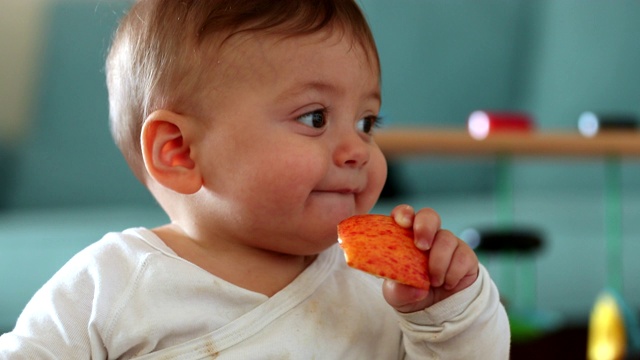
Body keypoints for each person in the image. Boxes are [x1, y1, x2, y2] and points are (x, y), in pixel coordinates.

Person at [0, 0, 510, 358]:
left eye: (367, 122)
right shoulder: (111, 285)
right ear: (179, 151)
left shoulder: (380, 290)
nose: (359, 150)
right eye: (315, 118)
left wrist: (449, 311)